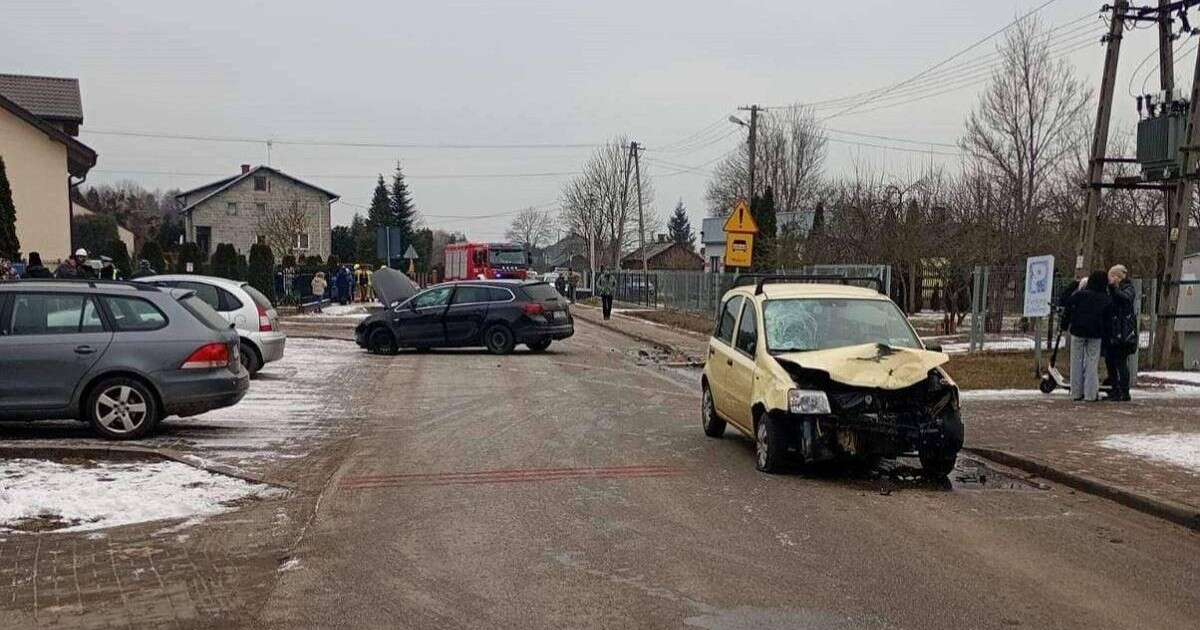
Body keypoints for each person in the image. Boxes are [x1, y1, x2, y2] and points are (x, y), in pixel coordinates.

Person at [1064, 270, 1112, 402]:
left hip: (1078, 330)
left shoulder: (1079, 295)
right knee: (1092, 362)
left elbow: (1068, 307)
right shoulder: (1106, 299)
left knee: (1076, 361)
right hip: (1096, 333)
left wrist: (1065, 324)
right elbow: (1108, 320)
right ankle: (1091, 394)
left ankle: (1075, 392)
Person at [1104, 265, 1137, 402]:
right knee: (1109, 360)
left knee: (1121, 362)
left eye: (1112, 276)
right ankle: (1114, 388)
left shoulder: (1128, 288)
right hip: (1113, 331)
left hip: (1123, 332)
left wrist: (1114, 288)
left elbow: (1124, 299)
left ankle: (1124, 391)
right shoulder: (1113, 290)